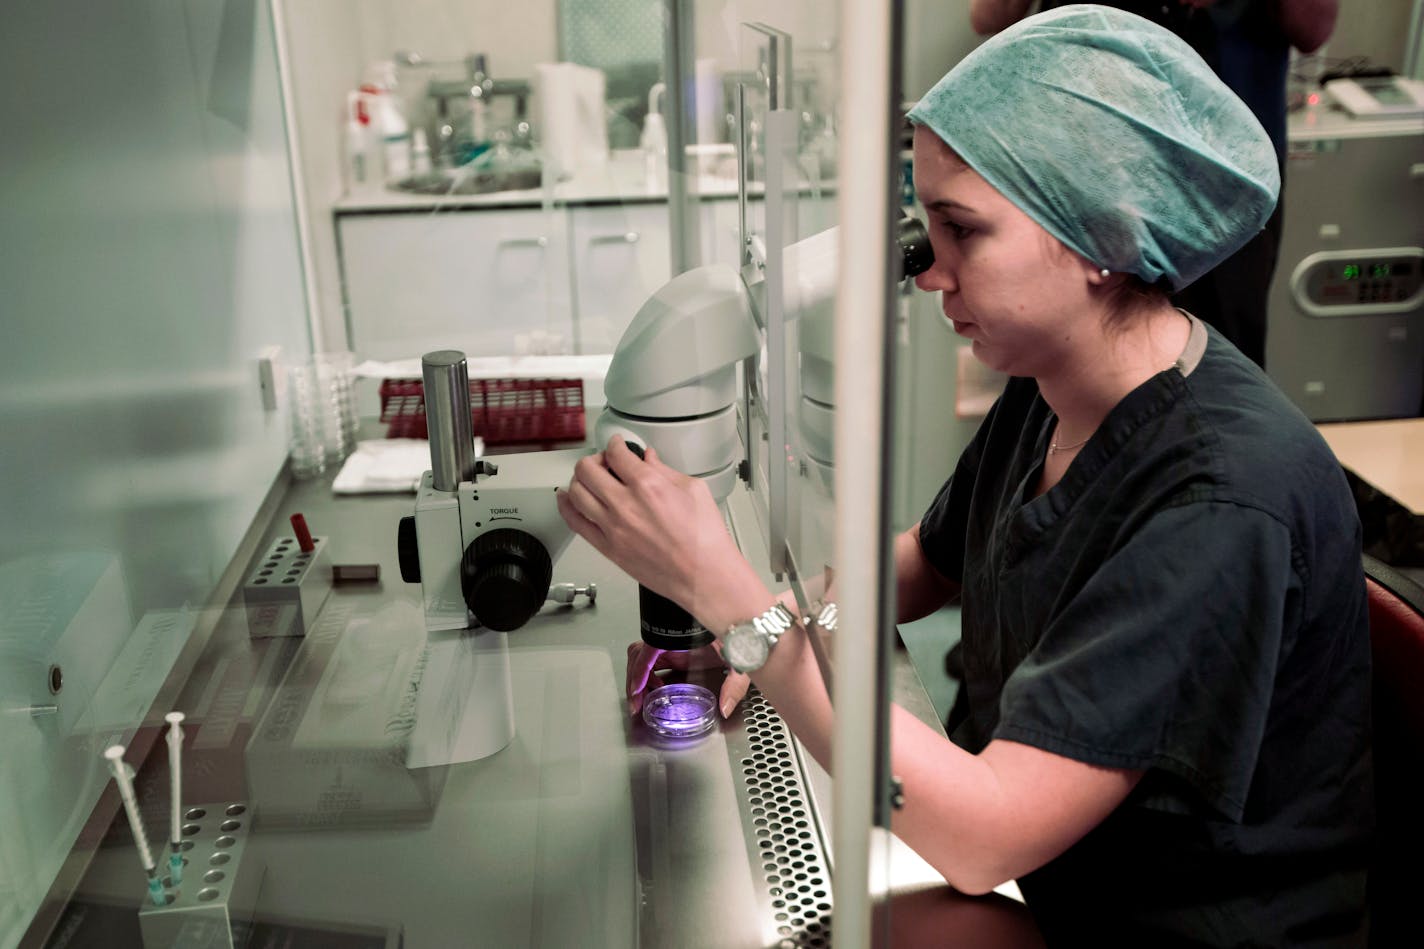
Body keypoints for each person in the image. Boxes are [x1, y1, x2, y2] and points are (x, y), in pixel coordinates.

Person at [559, 5, 1373, 945]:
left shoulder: (1220, 499)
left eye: (962, 231)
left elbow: (983, 837)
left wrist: (729, 598)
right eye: (925, 224)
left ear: (1100, 239)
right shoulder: (1056, 383)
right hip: (1068, 881)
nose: (927, 271)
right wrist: (769, 623)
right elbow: (922, 565)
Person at [968, 0, 1339, 369]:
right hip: (1079, 157)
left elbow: (1313, 32)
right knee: (1059, 346)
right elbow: (988, 17)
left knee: (1216, 359)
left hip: (1224, 173)